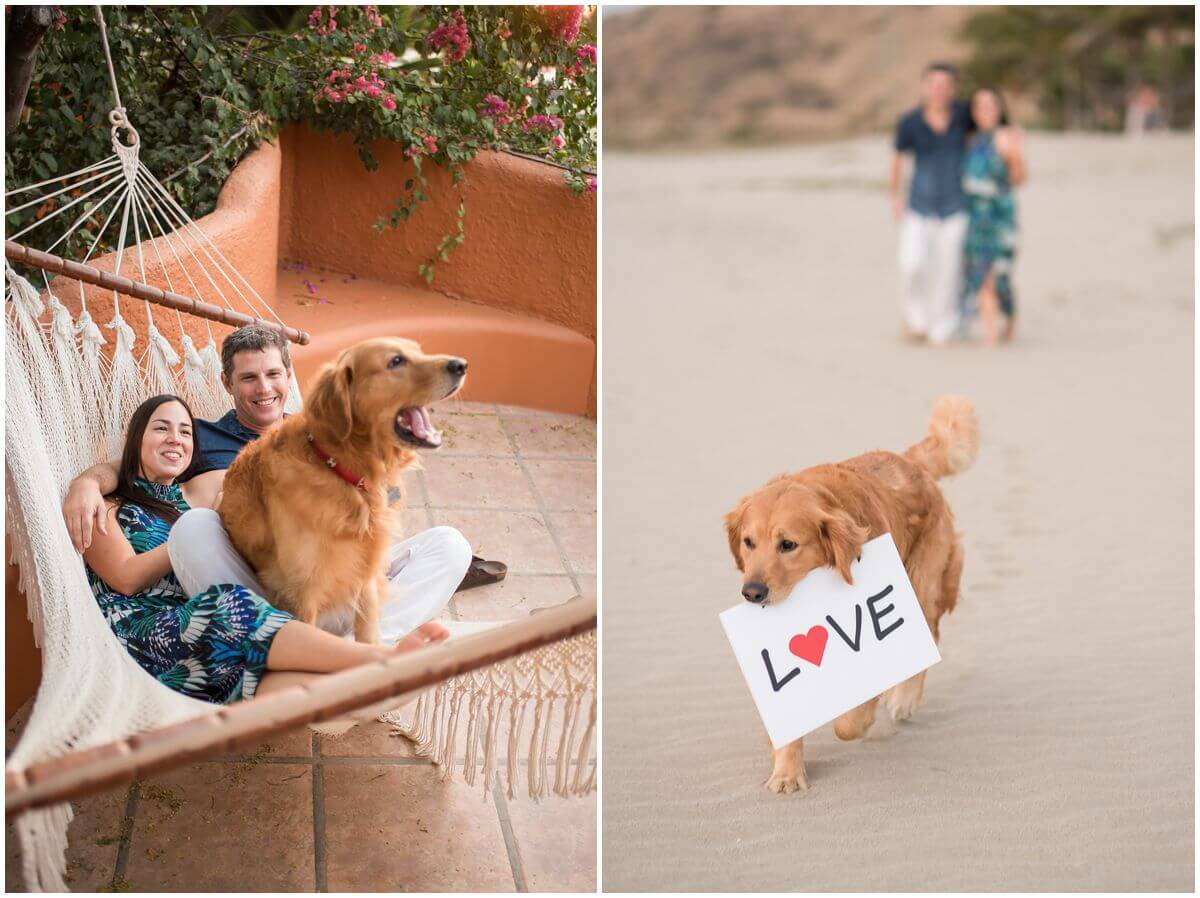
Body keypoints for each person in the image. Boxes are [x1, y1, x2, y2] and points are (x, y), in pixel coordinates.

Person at [63, 325, 493, 643]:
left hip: (342, 578)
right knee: (195, 528)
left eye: (273, 374)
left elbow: (384, 500)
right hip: (260, 591)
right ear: (227, 383)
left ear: (289, 378)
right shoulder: (199, 436)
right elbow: (139, 466)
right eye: (249, 377)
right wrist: (86, 481)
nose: (264, 388)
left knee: (449, 545)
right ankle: (329, 652)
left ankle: (368, 651)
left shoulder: (325, 430)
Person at [83, 393, 449, 704]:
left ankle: (371, 691)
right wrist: (88, 482)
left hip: (228, 634)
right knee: (225, 599)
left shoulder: (202, 486)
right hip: (156, 629)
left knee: (262, 673)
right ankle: (379, 659)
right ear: (135, 440)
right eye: (161, 428)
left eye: (185, 431)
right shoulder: (109, 504)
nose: (175, 439)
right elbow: (125, 578)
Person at [890, 62, 970, 345]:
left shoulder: (964, 116)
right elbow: (898, 159)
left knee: (950, 269)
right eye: (934, 84)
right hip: (918, 204)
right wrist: (895, 197)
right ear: (924, 87)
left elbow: (990, 123)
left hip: (955, 205)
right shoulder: (910, 122)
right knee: (912, 264)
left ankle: (943, 326)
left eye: (946, 85)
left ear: (953, 89)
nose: (939, 90)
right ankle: (916, 320)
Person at [960, 86, 1026, 345]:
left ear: (1000, 110)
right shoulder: (968, 139)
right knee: (981, 275)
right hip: (975, 217)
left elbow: (1019, 179)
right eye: (979, 106)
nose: (985, 111)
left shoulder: (1007, 137)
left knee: (1001, 276)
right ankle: (989, 335)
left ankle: (1009, 318)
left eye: (991, 106)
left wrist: (1015, 155)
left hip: (1001, 217)